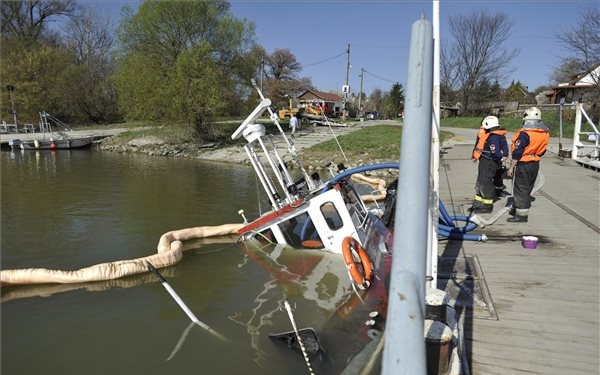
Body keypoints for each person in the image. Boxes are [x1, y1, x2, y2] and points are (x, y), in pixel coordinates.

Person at [506, 106, 550, 223]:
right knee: (528, 187)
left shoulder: (525, 134)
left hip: (523, 164)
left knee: (520, 188)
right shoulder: (544, 133)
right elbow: (543, 150)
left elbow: (518, 152)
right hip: (535, 163)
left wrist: (511, 168)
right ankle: (517, 208)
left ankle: (521, 215)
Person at [470, 115, 509, 214]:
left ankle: (487, 205)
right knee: (480, 181)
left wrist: (499, 158)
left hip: (489, 161)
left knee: (485, 182)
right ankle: (478, 202)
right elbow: (504, 148)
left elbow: (495, 152)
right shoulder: (498, 135)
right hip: (486, 160)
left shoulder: (493, 137)